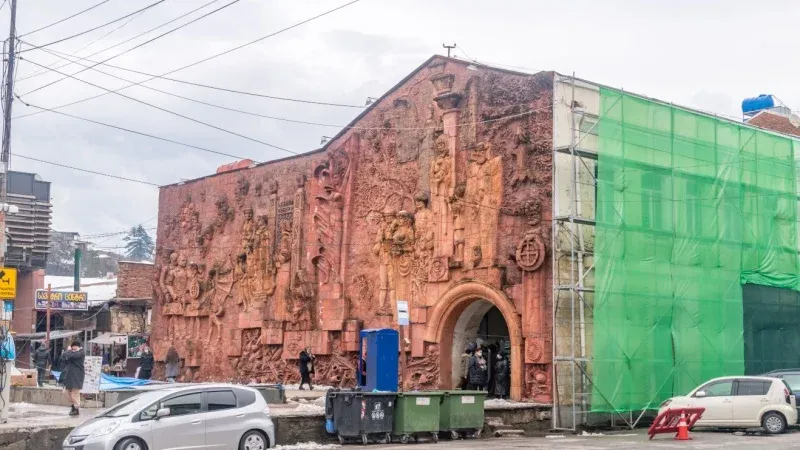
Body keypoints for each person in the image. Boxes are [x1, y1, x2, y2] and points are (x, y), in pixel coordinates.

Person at [61, 341, 85, 416]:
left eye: (73, 347)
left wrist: (69, 351)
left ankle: (76, 409)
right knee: (65, 392)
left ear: (77, 346)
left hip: (77, 375)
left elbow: (72, 356)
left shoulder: (81, 352)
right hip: (69, 375)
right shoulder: (72, 352)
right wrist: (69, 352)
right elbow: (64, 356)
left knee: (75, 393)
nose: (73, 348)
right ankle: (74, 405)